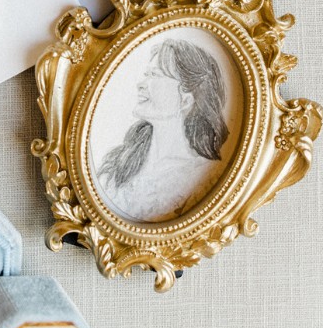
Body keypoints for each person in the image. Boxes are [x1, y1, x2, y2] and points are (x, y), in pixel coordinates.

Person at [95, 39, 230, 222]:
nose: (141, 84)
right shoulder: (119, 160)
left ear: (186, 100)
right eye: (147, 74)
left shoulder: (202, 176)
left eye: (154, 75)